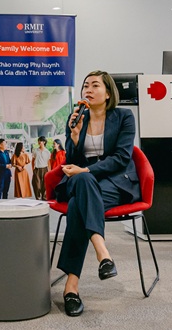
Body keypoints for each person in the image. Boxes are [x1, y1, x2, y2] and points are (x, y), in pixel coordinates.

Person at [55, 70, 139, 317]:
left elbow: (123, 158)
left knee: (76, 208)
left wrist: (87, 169)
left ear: (108, 92)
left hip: (113, 181)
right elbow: (71, 160)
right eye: (85, 86)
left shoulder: (124, 116)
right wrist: (74, 135)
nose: (88, 90)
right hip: (81, 180)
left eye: (94, 86)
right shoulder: (77, 117)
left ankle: (71, 287)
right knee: (82, 181)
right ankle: (102, 252)